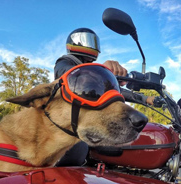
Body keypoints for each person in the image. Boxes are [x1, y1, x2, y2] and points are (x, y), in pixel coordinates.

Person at [55, 28, 153, 167]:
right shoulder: (66, 62)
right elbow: (65, 73)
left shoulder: (93, 73)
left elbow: (119, 92)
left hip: (93, 120)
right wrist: (100, 70)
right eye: (87, 40)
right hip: (73, 124)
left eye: (94, 42)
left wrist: (145, 99)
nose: (91, 45)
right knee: (77, 150)